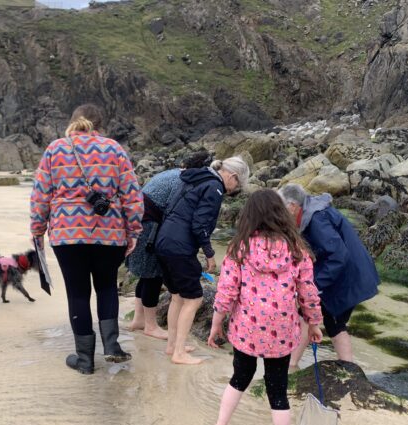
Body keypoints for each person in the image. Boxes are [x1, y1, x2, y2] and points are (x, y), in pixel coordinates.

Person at [206, 189, 323, 425]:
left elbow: (226, 290)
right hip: (282, 331)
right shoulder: (297, 250)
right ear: (282, 214)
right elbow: (308, 291)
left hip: (247, 329)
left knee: (240, 377)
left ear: (250, 216)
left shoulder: (240, 248)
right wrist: (314, 322)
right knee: (278, 389)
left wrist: (216, 323)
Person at [30, 104, 143, 375]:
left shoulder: (55, 149)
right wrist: (134, 231)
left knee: (78, 292)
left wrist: (37, 230)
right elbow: (131, 194)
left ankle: (85, 360)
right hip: (109, 232)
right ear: (100, 125)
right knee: (106, 288)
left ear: (72, 122)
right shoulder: (115, 149)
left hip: (67, 235)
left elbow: (40, 195)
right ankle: (112, 347)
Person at [155, 156, 249, 365]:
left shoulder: (195, 177)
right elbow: (200, 225)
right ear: (232, 176)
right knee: (194, 298)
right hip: (179, 246)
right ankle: (179, 352)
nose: (233, 191)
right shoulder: (214, 187)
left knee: (177, 295)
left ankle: (172, 345)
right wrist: (209, 254)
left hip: (163, 240)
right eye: (237, 185)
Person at [278, 184, 379, 368]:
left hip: (347, 275)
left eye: (280, 209)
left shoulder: (317, 219)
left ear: (292, 207)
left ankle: (291, 366)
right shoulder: (311, 214)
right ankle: (348, 370)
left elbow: (337, 256)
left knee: (310, 315)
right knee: (334, 322)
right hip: (348, 272)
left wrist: (312, 285)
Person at [126, 151, 212, 340]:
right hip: (149, 227)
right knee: (153, 275)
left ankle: (139, 319)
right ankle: (150, 325)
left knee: (145, 274)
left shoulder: (173, 173)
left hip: (137, 222)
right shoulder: (182, 180)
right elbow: (175, 213)